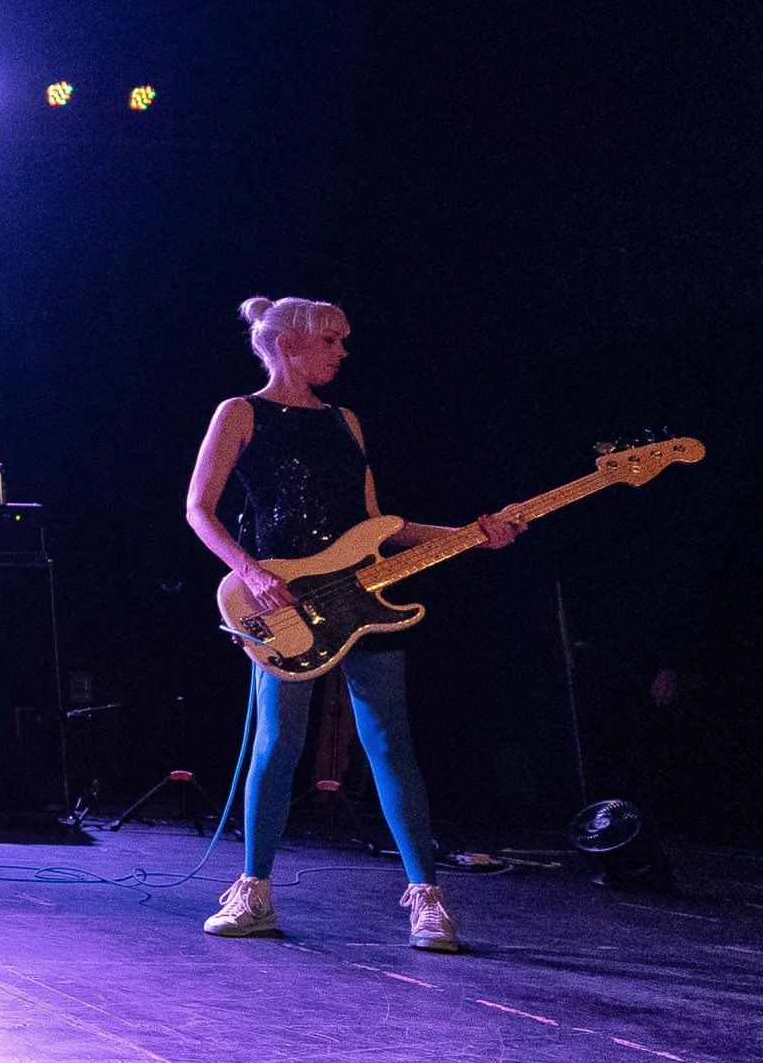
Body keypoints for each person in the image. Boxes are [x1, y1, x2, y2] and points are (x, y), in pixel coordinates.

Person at [184, 297, 526, 950]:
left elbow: (376, 526)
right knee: (278, 745)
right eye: (331, 341)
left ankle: (428, 900)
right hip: (284, 602)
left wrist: (471, 535)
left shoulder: (346, 421)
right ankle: (254, 893)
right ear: (289, 345)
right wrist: (251, 573)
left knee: (391, 743)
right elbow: (200, 508)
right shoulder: (241, 412)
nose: (343, 352)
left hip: (364, 596)